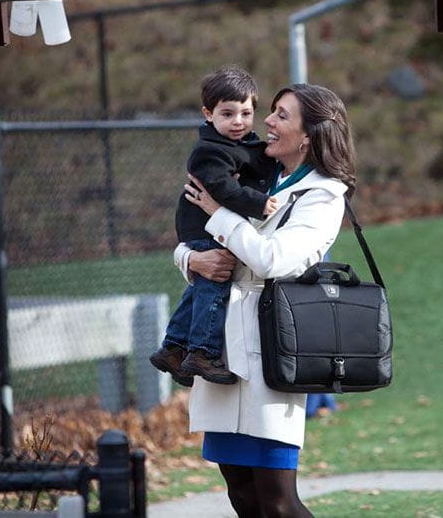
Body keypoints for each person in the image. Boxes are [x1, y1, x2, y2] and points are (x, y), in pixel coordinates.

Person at [171, 84, 356, 517]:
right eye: (270, 112)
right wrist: (191, 260)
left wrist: (220, 213)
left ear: (308, 135)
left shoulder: (324, 195)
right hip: (219, 351)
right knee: (240, 492)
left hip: (270, 351)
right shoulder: (251, 174)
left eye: (281, 116)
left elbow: (273, 260)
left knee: (277, 501)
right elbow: (190, 240)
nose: (266, 122)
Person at [150, 65, 278, 386]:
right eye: (228, 114)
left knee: (199, 289)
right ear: (208, 114)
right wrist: (257, 203)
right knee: (214, 284)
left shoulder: (242, 143)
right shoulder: (209, 150)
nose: (238, 121)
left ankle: (174, 347)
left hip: (208, 226)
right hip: (203, 226)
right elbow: (221, 188)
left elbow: (257, 161)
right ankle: (202, 351)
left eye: (246, 113)